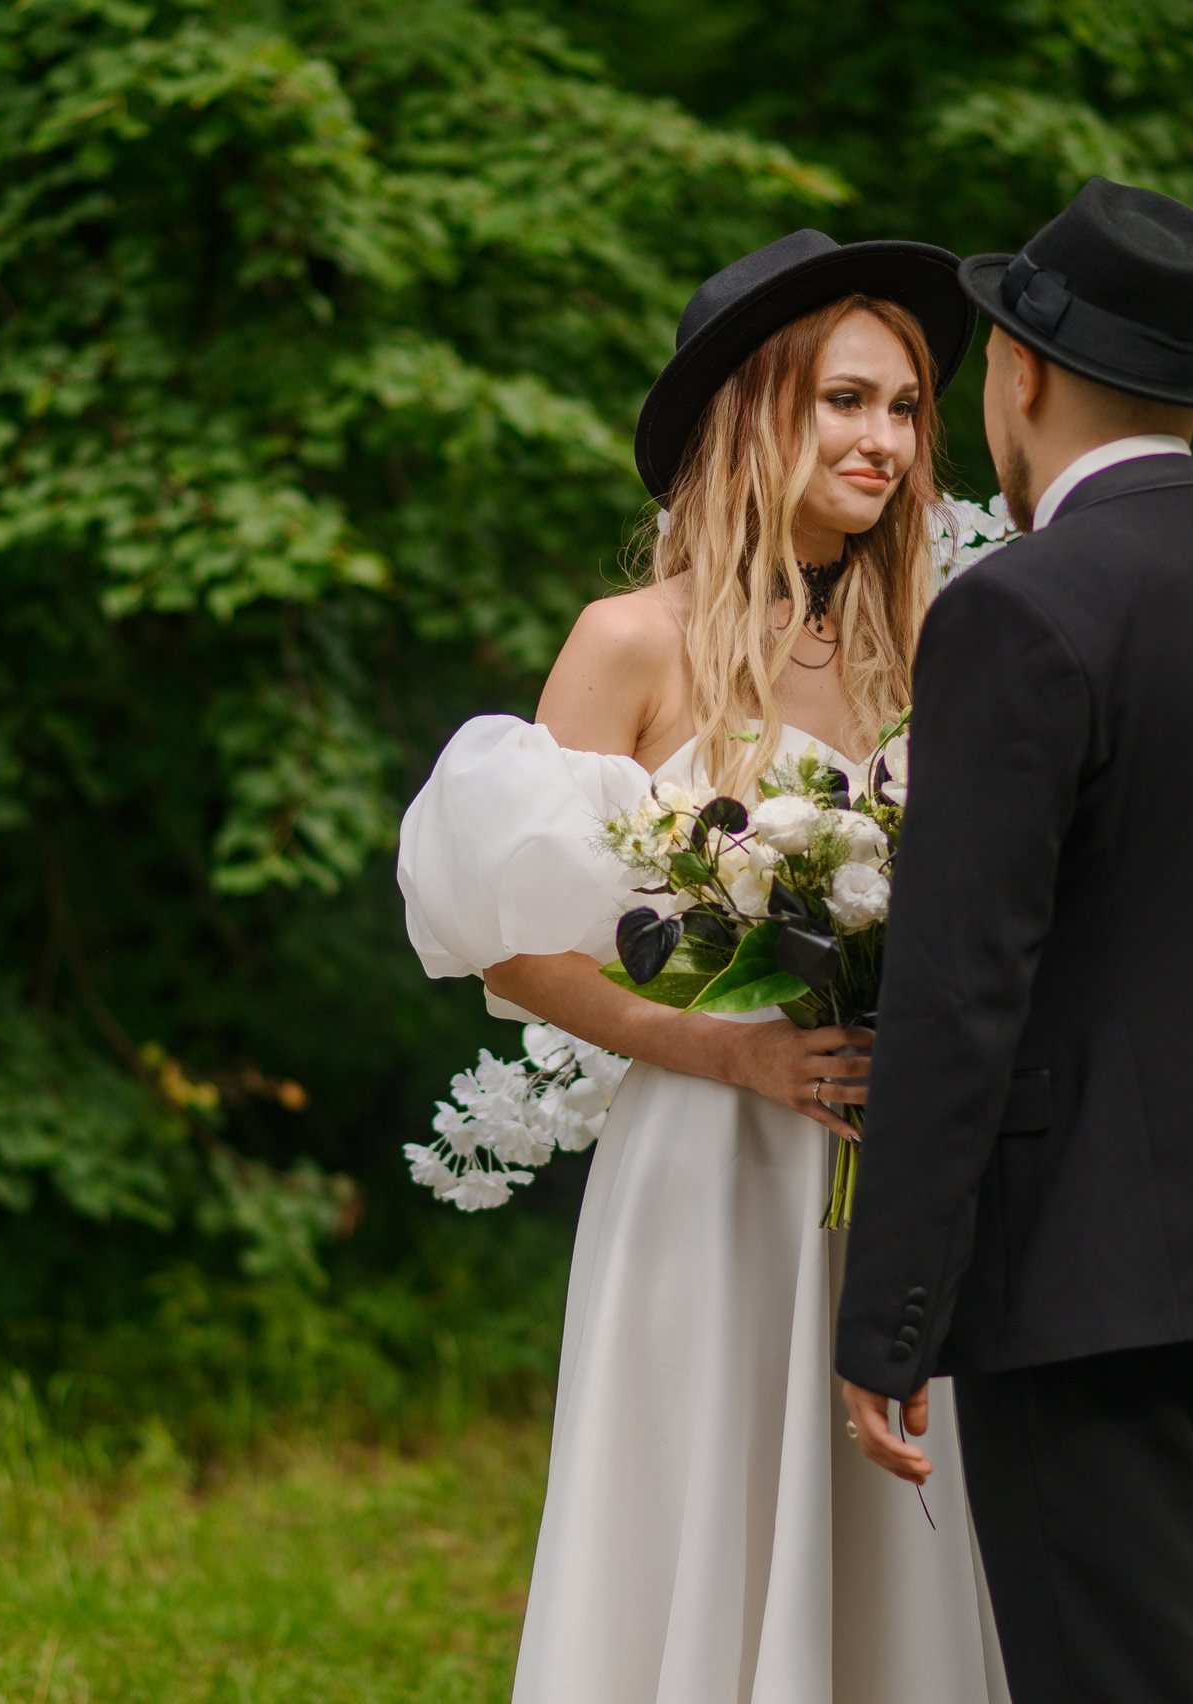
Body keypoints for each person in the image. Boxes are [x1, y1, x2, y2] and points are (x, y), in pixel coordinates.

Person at [398, 230, 1009, 1703]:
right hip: (711, 1166)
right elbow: (513, 949)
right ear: (756, 416)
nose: (884, 440)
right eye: (844, 402)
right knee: (703, 1519)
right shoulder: (632, 644)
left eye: (909, 408)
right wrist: (729, 1052)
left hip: (897, 1162)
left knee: (903, 1538)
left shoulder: (944, 645)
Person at [835, 179, 1193, 1704]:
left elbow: (962, 996)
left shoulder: (1020, 611)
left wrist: (888, 1320)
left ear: (1018, 373)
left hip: (1083, 1281)